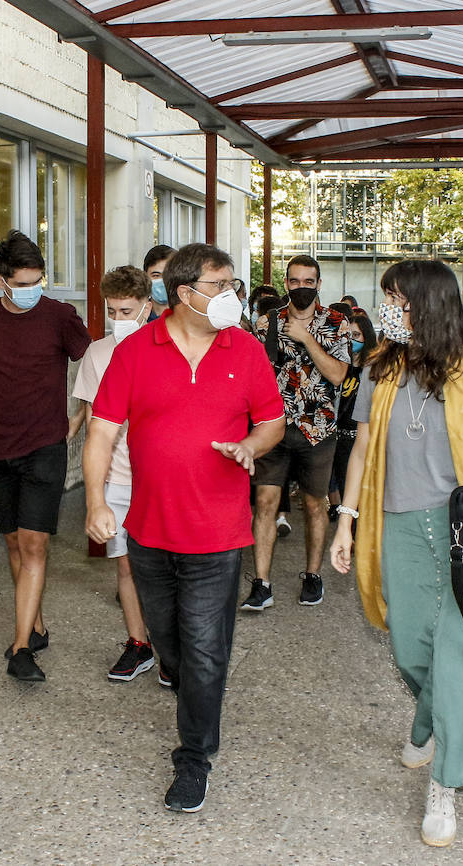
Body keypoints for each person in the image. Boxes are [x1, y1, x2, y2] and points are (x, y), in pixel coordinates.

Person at [83, 243, 283, 813]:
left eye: (230, 285)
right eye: (219, 286)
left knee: (203, 650)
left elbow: (271, 420)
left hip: (219, 534)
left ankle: (194, 757)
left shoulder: (244, 349)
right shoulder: (134, 353)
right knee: (169, 643)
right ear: (183, 293)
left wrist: (249, 444)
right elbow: (100, 433)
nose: (229, 296)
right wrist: (95, 501)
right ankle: (176, 670)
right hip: (148, 529)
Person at [329, 260, 463, 848]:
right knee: (411, 648)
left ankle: (446, 784)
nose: (388, 309)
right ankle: (426, 720)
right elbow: (360, 449)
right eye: (387, 299)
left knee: (458, 659)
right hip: (399, 524)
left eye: (396, 300)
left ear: (427, 305)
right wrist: (346, 521)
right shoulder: (379, 367)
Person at [0, 230, 91, 683]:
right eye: (24, 282)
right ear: (1, 281)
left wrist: (78, 414)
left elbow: (91, 365)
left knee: (35, 544)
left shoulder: (61, 317)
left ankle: (20, 650)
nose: (33, 289)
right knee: (14, 542)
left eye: (39, 280)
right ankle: (33, 625)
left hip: (43, 447)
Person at [244, 254, 350, 611]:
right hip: (272, 428)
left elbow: (337, 375)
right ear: (285, 283)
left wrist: (306, 338)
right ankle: (262, 583)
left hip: (318, 431)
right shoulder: (266, 323)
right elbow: (255, 375)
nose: (301, 288)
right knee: (265, 503)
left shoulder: (337, 323)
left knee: (315, 505)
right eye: (294, 281)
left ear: (319, 284)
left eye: (309, 281)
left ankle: (313, 575)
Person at [71, 265, 158, 682]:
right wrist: (97, 495)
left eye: (128, 310)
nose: (120, 319)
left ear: (147, 306)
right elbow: (93, 427)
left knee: (167, 567)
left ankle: (172, 648)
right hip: (120, 480)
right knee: (126, 566)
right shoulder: (97, 353)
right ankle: (138, 643)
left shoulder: (169, 349)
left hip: (160, 479)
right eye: (113, 311)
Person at [328, 312, 377, 518]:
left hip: (363, 438)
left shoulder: (374, 370)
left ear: (367, 337)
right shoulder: (338, 367)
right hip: (340, 439)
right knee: (345, 485)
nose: (352, 340)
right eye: (348, 335)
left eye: (356, 335)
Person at [143, 245, 176, 320]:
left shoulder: (188, 315)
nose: (163, 281)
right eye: (156, 275)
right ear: (145, 277)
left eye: (167, 275)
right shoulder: (138, 315)